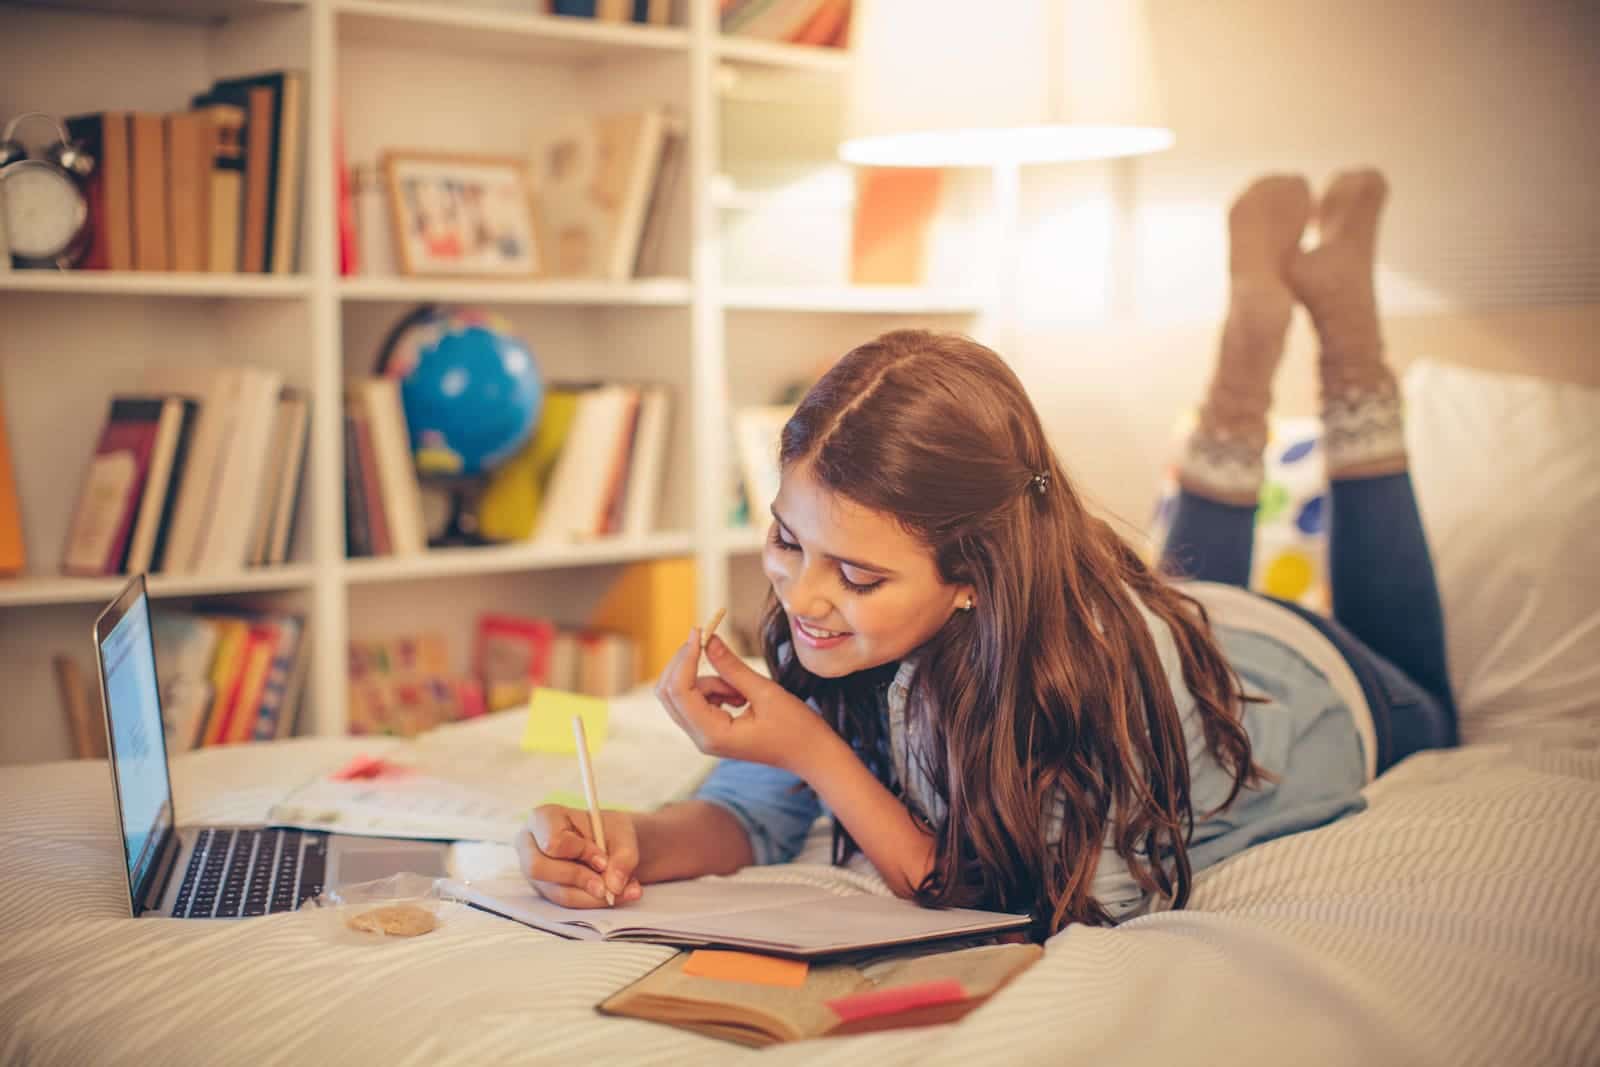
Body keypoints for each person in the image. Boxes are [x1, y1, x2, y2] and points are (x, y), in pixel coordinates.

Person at [514, 169, 1457, 936]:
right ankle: (1245, 362)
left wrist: (816, 750)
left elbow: (1024, 903)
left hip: (1327, 685)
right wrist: (623, 835)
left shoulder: (1083, 683)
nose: (803, 597)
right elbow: (754, 811)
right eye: (787, 539)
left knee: (1434, 697)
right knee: (1178, 589)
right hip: (1188, 619)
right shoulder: (843, 622)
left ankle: (1349, 346)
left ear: (974, 577)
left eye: (858, 574)